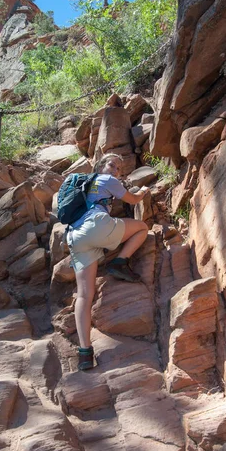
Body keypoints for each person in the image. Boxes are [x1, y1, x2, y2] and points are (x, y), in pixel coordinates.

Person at [66, 153, 149, 370]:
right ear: (102, 166)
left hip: (75, 236)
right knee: (142, 228)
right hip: (96, 225)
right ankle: (119, 262)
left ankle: (85, 353)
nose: (115, 170)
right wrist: (143, 191)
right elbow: (133, 199)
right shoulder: (106, 180)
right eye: (112, 165)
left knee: (84, 294)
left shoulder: (85, 187)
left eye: (119, 169)